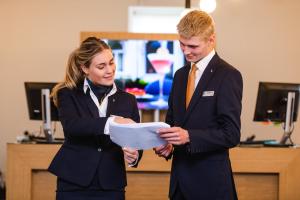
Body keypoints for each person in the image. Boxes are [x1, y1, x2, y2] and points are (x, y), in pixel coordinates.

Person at [154, 10, 243, 200]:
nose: (186, 51)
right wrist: (168, 144)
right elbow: (172, 123)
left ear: (211, 40)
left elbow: (231, 135)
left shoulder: (228, 75)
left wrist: (189, 136)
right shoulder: (179, 76)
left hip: (211, 186)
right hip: (179, 185)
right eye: (182, 44)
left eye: (192, 46)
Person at [48, 37, 142, 200]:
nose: (110, 70)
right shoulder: (67, 94)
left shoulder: (128, 100)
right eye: (101, 66)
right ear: (85, 68)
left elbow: (134, 139)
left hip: (111, 182)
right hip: (73, 181)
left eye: (111, 62)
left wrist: (134, 155)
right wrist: (112, 122)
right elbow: (72, 126)